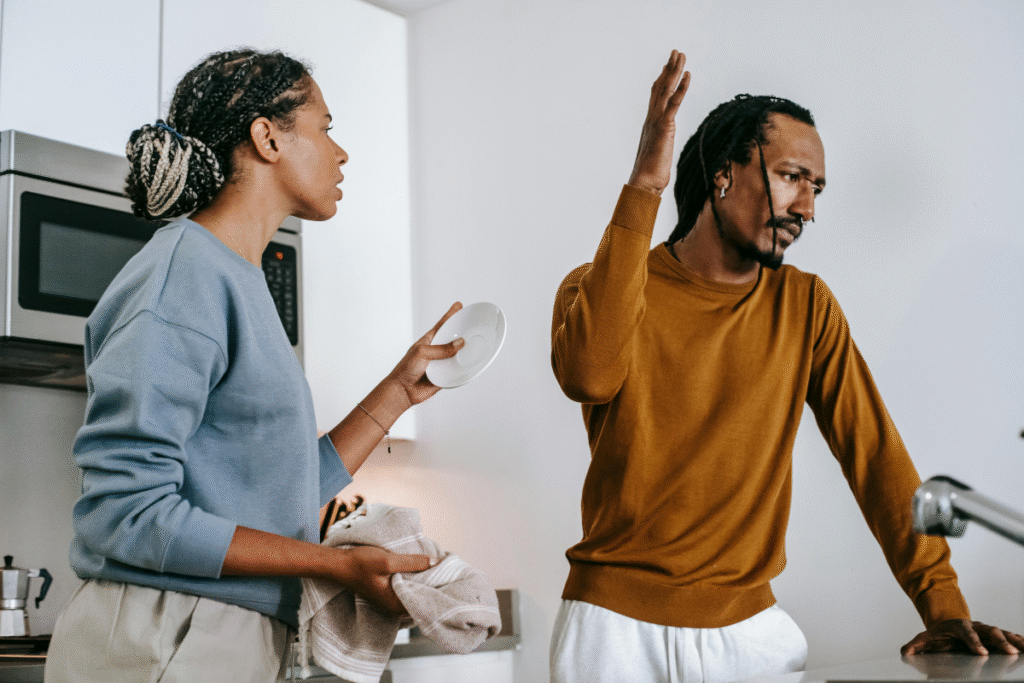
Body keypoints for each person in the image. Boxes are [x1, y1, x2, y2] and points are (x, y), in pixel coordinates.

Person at [548, 50, 1024, 683]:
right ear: (724, 175)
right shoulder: (598, 287)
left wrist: (942, 605)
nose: (808, 207)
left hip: (749, 638)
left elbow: (875, 458)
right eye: (793, 176)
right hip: (609, 635)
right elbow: (588, 375)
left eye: (817, 187)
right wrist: (644, 187)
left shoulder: (805, 306)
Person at [44, 48, 463, 683]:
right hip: (165, 633)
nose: (341, 152)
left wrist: (398, 393)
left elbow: (283, 494)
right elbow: (123, 516)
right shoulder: (182, 280)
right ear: (267, 138)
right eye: (326, 127)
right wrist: (331, 565)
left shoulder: (239, 281)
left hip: (216, 633)